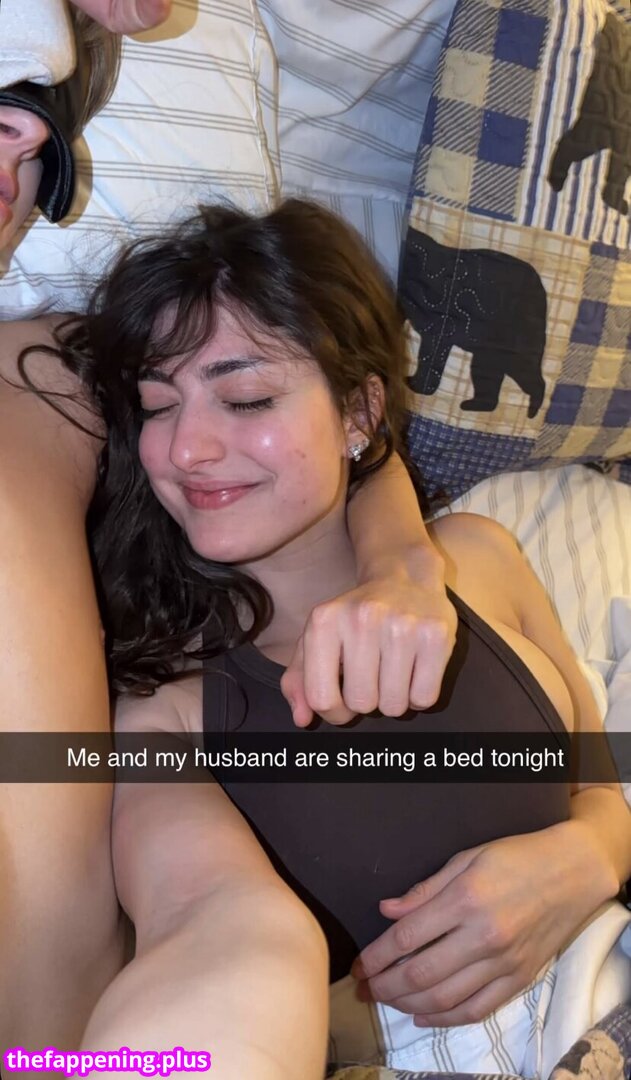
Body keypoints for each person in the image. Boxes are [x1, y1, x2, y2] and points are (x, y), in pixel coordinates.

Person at [50, 199, 630, 1075]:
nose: (187, 449)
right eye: (157, 407)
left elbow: (599, 787)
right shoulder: (164, 718)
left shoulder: (478, 558)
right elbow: (216, 933)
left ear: (358, 414)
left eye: (245, 397)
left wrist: (586, 858)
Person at [0, 4, 458, 1061]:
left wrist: (403, 561)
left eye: (31, 133)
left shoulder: (44, 377)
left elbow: (316, 429)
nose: (18, 151)